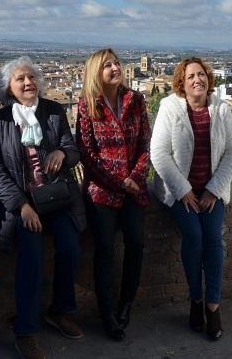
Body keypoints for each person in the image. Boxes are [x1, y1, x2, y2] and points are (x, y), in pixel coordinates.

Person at [0, 56, 86, 359]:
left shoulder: (54, 112)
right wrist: (21, 206)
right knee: (31, 256)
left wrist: (61, 153)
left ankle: (61, 311)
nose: (28, 83)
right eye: (20, 79)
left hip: (57, 199)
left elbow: (73, 150)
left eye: (31, 78)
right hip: (23, 203)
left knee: (70, 247)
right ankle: (26, 331)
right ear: (8, 88)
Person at [150, 57, 232, 341]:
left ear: (208, 79)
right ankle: (195, 300)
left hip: (212, 191)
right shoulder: (168, 107)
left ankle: (213, 306)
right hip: (179, 191)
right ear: (182, 81)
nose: (196, 80)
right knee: (194, 236)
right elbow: (159, 153)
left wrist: (214, 188)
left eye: (201, 74)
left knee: (213, 238)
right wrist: (182, 190)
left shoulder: (222, 109)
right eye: (190, 76)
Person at [76, 48, 151, 342]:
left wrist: (135, 178)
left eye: (117, 63)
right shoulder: (86, 105)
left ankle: (126, 306)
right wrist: (121, 182)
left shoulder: (136, 100)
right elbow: (87, 153)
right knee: (104, 251)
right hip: (102, 192)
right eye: (107, 65)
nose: (115, 68)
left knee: (136, 244)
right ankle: (107, 314)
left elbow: (146, 144)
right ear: (96, 72)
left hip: (134, 189)